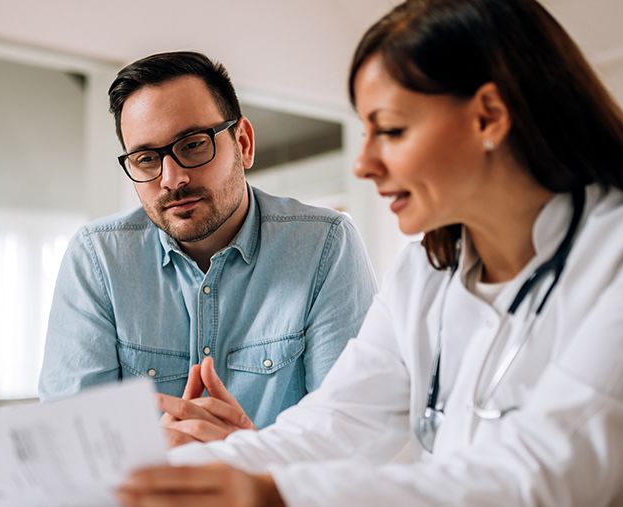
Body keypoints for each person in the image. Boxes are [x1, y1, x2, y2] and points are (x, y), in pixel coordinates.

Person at [114, 1, 623, 505]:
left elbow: (542, 474)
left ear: (488, 116)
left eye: (391, 130)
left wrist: (270, 493)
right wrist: (181, 472)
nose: (365, 162)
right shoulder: (429, 270)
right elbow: (336, 423)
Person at [39, 51, 377, 442]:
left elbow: (351, 437)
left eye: (194, 145)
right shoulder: (98, 258)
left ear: (244, 143)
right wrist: (158, 455)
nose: (172, 178)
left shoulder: (326, 245)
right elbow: (68, 441)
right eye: (147, 158)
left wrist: (246, 459)